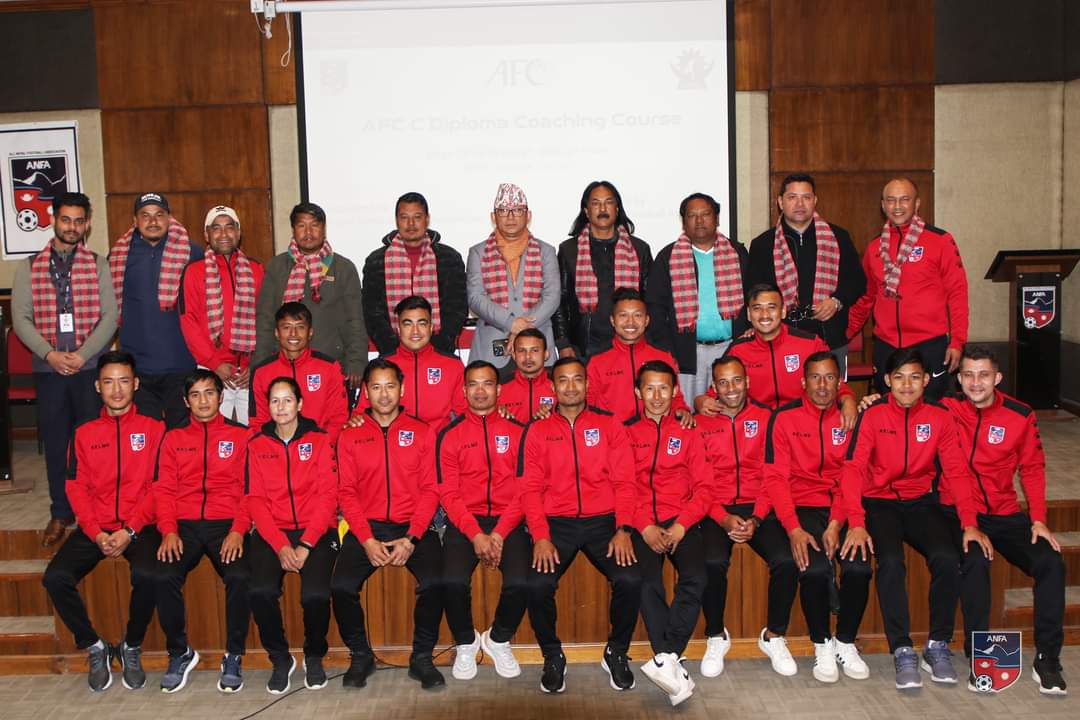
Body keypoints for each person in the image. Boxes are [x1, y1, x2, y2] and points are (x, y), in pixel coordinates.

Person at [840, 348, 991, 690]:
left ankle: (937, 644)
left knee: (948, 558)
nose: (906, 385)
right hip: (879, 502)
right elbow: (853, 469)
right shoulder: (872, 415)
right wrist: (857, 522)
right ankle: (902, 648)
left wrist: (969, 523)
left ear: (925, 380)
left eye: (914, 377)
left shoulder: (939, 417)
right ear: (887, 381)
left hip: (922, 501)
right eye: (899, 378)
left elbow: (955, 471)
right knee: (891, 562)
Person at [943, 346, 1067, 694]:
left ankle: (1047, 658)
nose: (976, 382)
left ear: (997, 378)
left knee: (1051, 562)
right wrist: (865, 400)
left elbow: (1032, 468)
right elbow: (903, 401)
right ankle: (979, 657)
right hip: (957, 511)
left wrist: (1038, 519)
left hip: (1003, 511)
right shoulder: (946, 409)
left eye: (983, 375)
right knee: (975, 561)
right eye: (968, 375)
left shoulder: (1020, 414)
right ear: (959, 379)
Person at [41, 351, 163, 693]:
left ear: (136, 384)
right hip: (96, 527)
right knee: (55, 578)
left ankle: (131, 646)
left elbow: (158, 487)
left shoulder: (154, 429)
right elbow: (75, 487)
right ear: (97, 387)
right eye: (108, 382)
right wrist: (95, 533)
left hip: (139, 526)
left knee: (150, 574)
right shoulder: (83, 433)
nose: (117, 390)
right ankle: (94, 646)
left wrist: (131, 530)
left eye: (124, 381)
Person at [521, 357, 640, 694]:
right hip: (556, 523)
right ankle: (552, 655)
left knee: (631, 578)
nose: (571, 387)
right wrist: (540, 536)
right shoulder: (538, 429)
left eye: (577, 379)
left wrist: (624, 529)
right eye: (563, 380)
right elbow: (530, 489)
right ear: (552, 387)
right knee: (537, 585)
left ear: (588, 385)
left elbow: (625, 482)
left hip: (604, 522)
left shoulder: (609, 424)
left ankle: (616, 651)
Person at [332, 358, 445, 690]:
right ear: (366, 392)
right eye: (376, 387)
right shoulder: (350, 435)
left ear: (402, 389)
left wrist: (412, 538)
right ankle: (360, 656)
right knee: (341, 587)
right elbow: (346, 492)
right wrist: (367, 540)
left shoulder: (422, 431)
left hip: (413, 527)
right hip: (367, 528)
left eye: (390, 386)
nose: (384, 395)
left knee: (436, 582)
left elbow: (431, 490)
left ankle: (421, 658)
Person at [11, 191, 117, 546]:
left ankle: (96, 510)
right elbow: (21, 318)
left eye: (78, 221)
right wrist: (50, 354)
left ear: (87, 224)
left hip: (89, 369)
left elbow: (110, 316)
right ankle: (61, 511)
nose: (71, 227)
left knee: (92, 443)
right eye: (65, 219)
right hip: (49, 370)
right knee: (57, 444)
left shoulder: (98, 264)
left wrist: (83, 355)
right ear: (53, 220)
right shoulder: (29, 266)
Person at [763, 351, 872, 683]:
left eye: (829, 378)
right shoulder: (784, 418)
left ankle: (845, 641)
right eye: (815, 377)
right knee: (813, 568)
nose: (822, 385)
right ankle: (821, 642)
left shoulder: (850, 418)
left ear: (839, 383)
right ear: (803, 382)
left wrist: (837, 522)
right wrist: (793, 529)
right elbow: (775, 479)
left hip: (843, 505)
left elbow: (851, 474)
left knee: (858, 566)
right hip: (801, 506)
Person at [695, 355, 799, 678]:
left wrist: (756, 518)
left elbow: (773, 476)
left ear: (748, 382)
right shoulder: (699, 423)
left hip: (759, 506)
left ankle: (774, 635)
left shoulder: (768, 418)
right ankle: (716, 634)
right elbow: (698, 482)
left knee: (786, 560)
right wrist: (722, 517)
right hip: (716, 507)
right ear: (713, 387)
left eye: (737, 380)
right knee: (711, 562)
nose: (731, 389)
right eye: (723, 382)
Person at [152, 368, 252, 693]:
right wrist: (168, 530)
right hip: (184, 524)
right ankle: (179, 651)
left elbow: (250, 490)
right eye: (195, 395)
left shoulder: (242, 436)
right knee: (162, 575)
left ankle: (234, 654)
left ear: (221, 397)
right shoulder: (173, 438)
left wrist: (238, 530)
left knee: (239, 576)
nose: (203, 401)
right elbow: (164, 490)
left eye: (209, 393)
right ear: (186, 401)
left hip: (226, 523)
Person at [437, 360, 530, 681]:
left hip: (509, 520)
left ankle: (498, 639)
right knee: (451, 582)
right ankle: (466, 641)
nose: (480, 391)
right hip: (466, 522)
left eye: (487, 383)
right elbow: (448, 494)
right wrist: (476, 534)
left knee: (521, 583)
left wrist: (500, 533)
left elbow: (525, 490)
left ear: (498, 389)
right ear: (464, 391)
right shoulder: (450, 435)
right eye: (473, 384)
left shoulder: (518, 432)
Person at [245, 376, 339, 694]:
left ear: (299, 404)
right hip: (274, 532)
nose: (281, 407)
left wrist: (306, 543)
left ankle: (314, 655)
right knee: (260, 591)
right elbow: (255, 500)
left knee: (315, 595)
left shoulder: (319, 439)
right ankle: (280, 658)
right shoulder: (257, 444)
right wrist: (281, 545)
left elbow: (328, 496)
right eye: (275, 401)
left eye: (287, 400)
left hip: (316, 531)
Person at [626, 360, 710, 705]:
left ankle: (667, 656)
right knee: (647, 583)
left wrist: (681, 525)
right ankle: (669, 661)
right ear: (638, 392)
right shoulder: (626, 432)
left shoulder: (689, 430)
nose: (657, 396)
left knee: (696, 577)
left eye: (664, 388)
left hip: (681, 519)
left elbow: (705, 488)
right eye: (649, 388)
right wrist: (644, 526)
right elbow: (622, 487)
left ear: (675, 391)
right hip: (642, 522)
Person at [846, 178, 968, 399]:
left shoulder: (940, 240)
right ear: (883, 205)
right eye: (891, 200)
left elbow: (957, 293)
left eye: (904, 199)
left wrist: (958, 341)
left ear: (917, 203)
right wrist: (844, 334)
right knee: (887, 411)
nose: (897, 206)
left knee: (933, 410)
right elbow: (866, 298)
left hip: (929, 344)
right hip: (887, 346)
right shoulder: (874, 248)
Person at [695, 284, 857, 431]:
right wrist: (701, 401)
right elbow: (715, 391)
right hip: (757, 429)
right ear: (749, 314)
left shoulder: (810, 343)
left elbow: (834, 382)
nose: (765, 315)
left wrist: (848, 400)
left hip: (802, 427)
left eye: (772, 307)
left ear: (783, 311)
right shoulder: (739, 350)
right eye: (757, 309)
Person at [748, 174, 865, 372]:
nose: (800, 204)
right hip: (780, 337)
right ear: (780, 202)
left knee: (831, 391)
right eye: (792, 197)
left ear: (815, 201)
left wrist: (837, 300)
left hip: (829, 336)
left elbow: (857, 281)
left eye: (806, 197)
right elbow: (753, 292)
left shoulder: (838, 237)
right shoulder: (763, 244)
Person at [109, 192, 203, 427]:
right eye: (145, 215)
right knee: (143, 438)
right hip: (137, 368)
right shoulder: (118, 256)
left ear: (169, 218)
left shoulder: (192, 253)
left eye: (159, 215)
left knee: (182, 437)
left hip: (181, 364)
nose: (153, 221)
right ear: (135, 220)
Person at [646, 192, 749, 403]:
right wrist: (668, 350)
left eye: (706, 214)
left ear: (717, 218)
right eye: (692, 215)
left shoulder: (737, 253)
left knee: (728, 409)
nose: (699, 220)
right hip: (687, 353)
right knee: (689, 410)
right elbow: (655, 308)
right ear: (684, 222)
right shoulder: (668, 257)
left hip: (731, 349)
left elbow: (751, 297)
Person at [255, 202, 367, 388]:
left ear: (324, 229)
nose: (308, 232)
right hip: (284, 368)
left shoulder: (343, 268)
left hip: (332, 365)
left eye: (314, 225)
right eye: (302, 225)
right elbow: (265, 320)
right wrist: (260, 366)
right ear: (293, 229)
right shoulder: (276, 267)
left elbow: (354, 320)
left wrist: (357, 363)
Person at [179, 205, 265, 424]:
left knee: (254, 432)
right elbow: (189, 321)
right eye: (216, 228)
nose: (224, 234)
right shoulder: (193, 271)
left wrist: (255, 363)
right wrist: (214, 363)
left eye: (230, 227)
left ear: (238, 232)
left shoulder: (256, 269)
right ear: (206, 235)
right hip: (211, 369)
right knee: (214, 434)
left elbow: (266, 318)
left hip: (249, 371)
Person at [555, 180, 652, 359]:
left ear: (617, 208)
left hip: (629, 341)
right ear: (586, 211)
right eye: (595, 203)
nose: (602, 209)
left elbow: (650, 299)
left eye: (608, 202)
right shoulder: (569, 250)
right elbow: (559, 300)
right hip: (584, 346)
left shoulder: (639, 249)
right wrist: (563, 343)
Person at [363, 192, 467, 355]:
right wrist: (392, 348)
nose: (411, 224)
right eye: (404, 217)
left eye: (417, 217)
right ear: (396, 220)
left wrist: (439, 347)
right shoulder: (376, 261)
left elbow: (457, 308)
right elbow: (372, 312)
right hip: (393, 352)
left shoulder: (448, 258)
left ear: (427, 219)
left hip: (439, 350)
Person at [467, 183, 560, 366]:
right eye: (503, 210)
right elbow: (475, 298)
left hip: (538, 344)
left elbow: (552, 296)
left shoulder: (546, 251)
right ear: (493, 216)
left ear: (528, 215)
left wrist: (522, 328)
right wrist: (511, 323)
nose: (510, 217)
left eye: (517, 210)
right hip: (490, 351)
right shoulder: (478, 252)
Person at [357, 295, 465, 433]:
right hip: (394, 444)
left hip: (439, 443)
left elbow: (466, 414)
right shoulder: (382, 366)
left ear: (431, 327)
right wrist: (355, 420)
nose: (415, 331)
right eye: (408, 324)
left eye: (422, 323)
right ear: (398, 329)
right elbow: (360, 413)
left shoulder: (453, 365)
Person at [249, 302, 349, 445]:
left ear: (310, 332)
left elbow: (338, 418)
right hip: (277, 451)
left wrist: (320, 447)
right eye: (286, 327)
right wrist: (277, 451)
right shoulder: (261, 372)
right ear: (276, 333)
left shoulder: (329, 367)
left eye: (300, 327)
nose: (293, 334)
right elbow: (258, 422)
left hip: (320, 449)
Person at [586, 288, 691, 423]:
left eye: (637, 315)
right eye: (623, 315)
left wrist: (682, 410)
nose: (630, 322)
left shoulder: (663, 356)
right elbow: (587, 405)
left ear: (646, 320)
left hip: (654, 432)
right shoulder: (597, 361)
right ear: (612, 320)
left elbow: (676, 398)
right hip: (612, 433)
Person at [496, 328, 556, 423]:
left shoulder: (559, 385)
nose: (528, 356)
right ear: (514, 355)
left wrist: (555, 413)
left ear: (546, 354)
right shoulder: (500, 387)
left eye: (535, 350)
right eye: (521, 350)